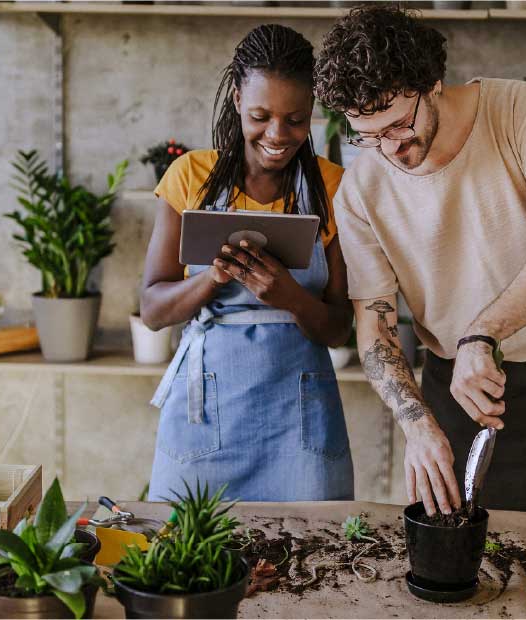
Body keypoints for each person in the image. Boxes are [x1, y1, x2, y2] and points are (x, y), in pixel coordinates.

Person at [314, 4, 526, 516]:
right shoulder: (359, 193)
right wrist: (417, 423)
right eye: (366, 136)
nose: (389, 149)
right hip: (455, 396)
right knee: (464, 565)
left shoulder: (518, 110)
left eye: (396, 126)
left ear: (431, 81)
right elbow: (376, 328)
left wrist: (483, 333)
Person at [141, 24, 354, 502]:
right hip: (207, 422)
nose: (278, 135)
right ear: (236, 99)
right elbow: (153, 310)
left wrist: (291, 298)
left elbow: (339, 327)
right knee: (189, 562)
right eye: (260, 115)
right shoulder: (190, 177)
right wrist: (211, 280)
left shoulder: (333, 187)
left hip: (298, 423)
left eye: (296, 119)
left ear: (314, 108)